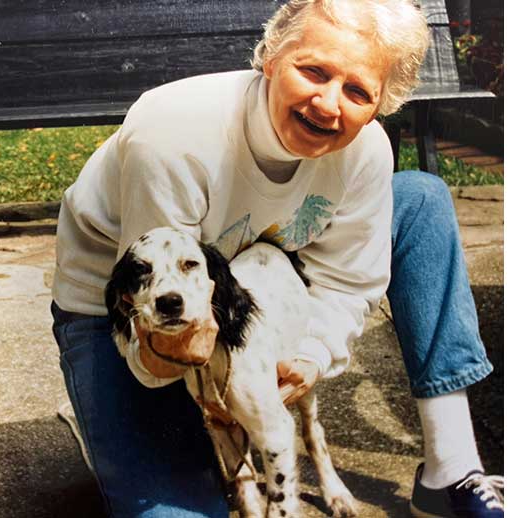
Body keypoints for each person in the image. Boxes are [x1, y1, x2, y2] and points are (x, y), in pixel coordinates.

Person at [50, 0, 504, 516]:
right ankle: (105, 409)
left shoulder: (365, 151)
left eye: (357, 92)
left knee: (420, 198)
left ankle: (452, 467)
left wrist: (311, 353)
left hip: (268, 268)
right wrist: (168, 369)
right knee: (175, 504)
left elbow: (347, 280)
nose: (329, 105)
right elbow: (157, 327)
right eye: (313, 71)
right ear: (270, 58)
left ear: (380, 104)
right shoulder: (172, 140)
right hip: (130, 308)